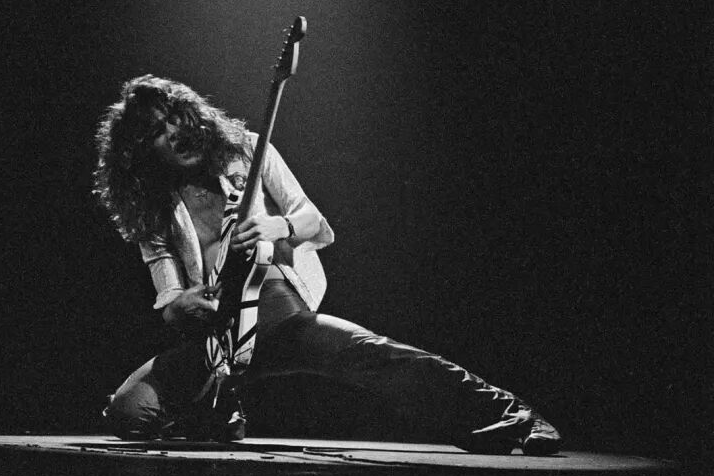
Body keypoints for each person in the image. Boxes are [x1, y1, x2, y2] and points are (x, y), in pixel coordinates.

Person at [93, 74, 562, 454]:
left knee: (374, 355)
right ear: (142, 153)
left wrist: (278, 227)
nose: (174, 132)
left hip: (279, 319)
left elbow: (312, 219)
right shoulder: (153, 209)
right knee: (128, 412)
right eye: (157, 132)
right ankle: (217, 407)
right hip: (218, 341)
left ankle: (514, 418)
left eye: (175, 116)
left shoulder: (249, 151)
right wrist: (182, 306)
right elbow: (170, 298)